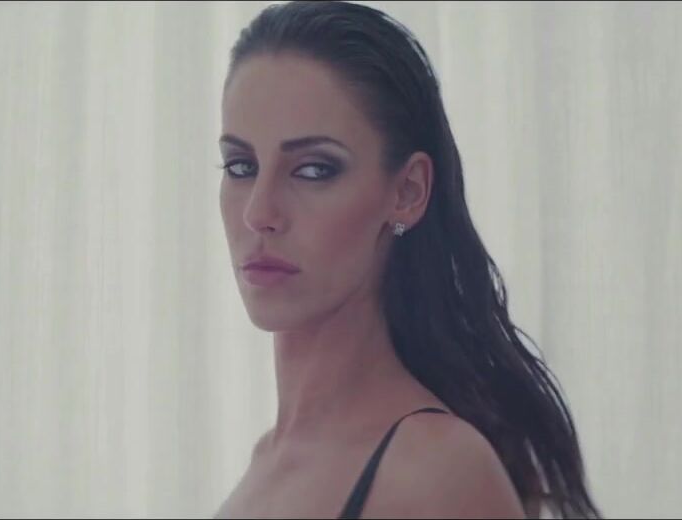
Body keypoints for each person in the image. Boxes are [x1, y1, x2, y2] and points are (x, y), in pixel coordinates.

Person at [212, 2, 600, 518]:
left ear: (407, 192)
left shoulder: (436, 472)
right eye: (241, 166)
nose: (259, 213)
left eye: (313, 170)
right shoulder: (267, 460)